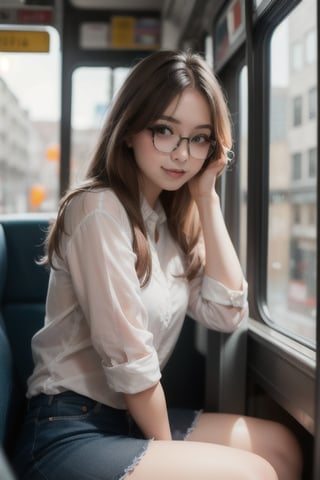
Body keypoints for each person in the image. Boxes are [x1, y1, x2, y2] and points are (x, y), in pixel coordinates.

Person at [13, 50, 302, 480]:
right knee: (252, 473)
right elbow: (132, 365)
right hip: (68, 426)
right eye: (164, 130)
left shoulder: (168, 221)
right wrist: (171, 458)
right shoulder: (97, 209)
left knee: (282, 448)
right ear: (129, 130)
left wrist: (207, 197)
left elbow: (227, 312)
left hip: (130, 419)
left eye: (200, 138)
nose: (182, 154)